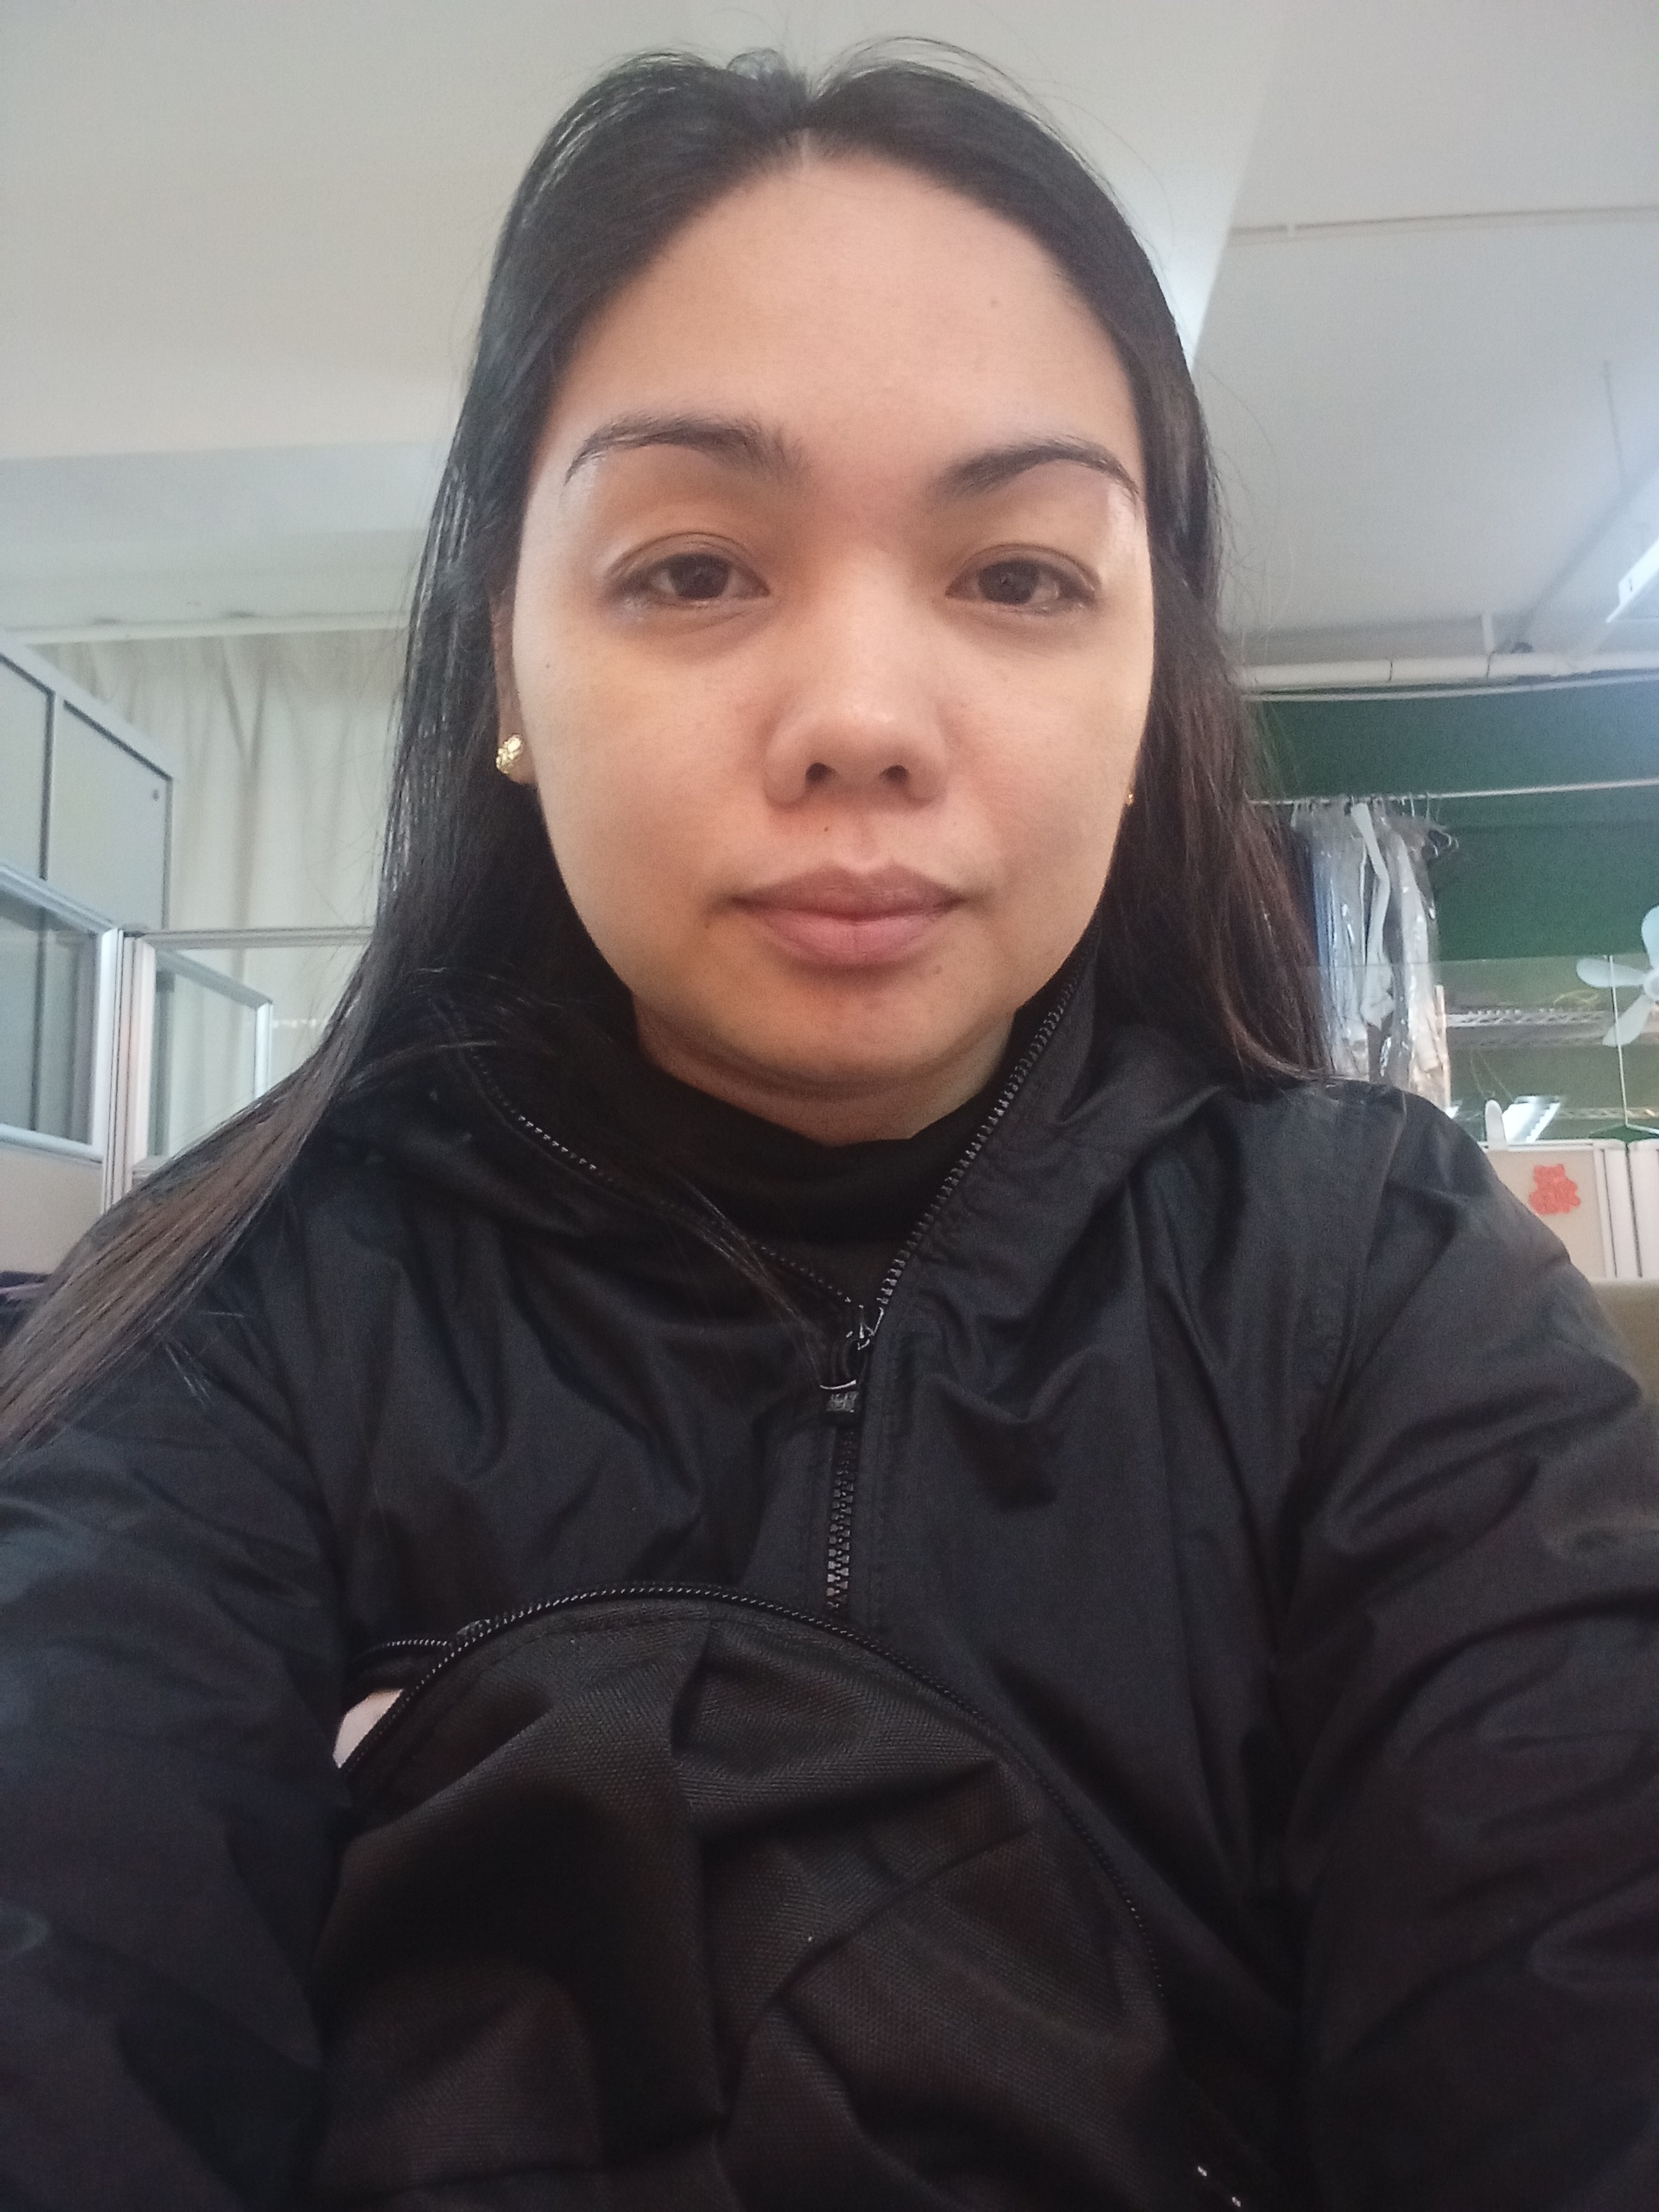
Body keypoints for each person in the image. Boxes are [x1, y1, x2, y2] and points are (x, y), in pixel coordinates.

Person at [2, 47, 1656, 2212]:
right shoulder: (242, 1327)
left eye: (1020, 577)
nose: (862, 721)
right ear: (507, 668)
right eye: (695, 569)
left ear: (1150, 684)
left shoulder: (1381, 1295)